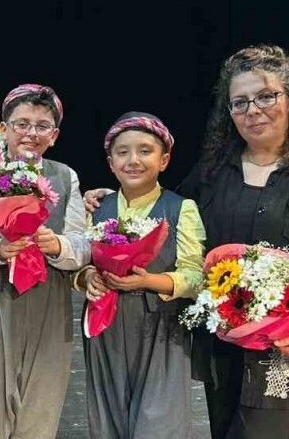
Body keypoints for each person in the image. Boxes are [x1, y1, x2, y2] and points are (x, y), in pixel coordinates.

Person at [85, 45, 289, 439]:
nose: (253, 110)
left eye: (266, 96)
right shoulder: (213, 171)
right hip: (221, 344)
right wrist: (116, 198)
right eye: (240, 102)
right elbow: (166, 214)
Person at [0, 84, 88, 439]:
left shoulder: (65, 176)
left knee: (40, 406)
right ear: (4, 128)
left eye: (42, 126)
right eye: (22, 124)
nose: (31, 133)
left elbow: (81, 245)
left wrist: (56, 245)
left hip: (47, 296)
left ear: (54, 136)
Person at [77, 113, 204, 439]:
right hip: (105, 327)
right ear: (111, 163)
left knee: (159, 423)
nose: (133, 160)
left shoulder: (180, 209)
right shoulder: (97, 208)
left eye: (145, 151)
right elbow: (79, 262)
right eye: (123, 152)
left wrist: (148, 281)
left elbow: (196, 278)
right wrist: (87, 276)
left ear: (164, 160)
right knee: (107, 422)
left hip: (161, 329)